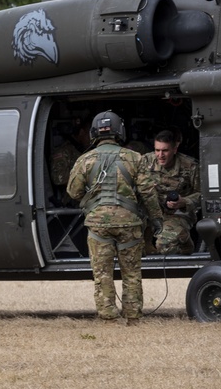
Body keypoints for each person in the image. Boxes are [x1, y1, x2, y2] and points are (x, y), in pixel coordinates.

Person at [67, 111, 162, 325]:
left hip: (98, 225)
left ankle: (109, 319)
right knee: (131, 274)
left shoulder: (85, 160)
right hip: (130, 224)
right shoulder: (134, 158)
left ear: (94, 133)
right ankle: (133, 318)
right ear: (120, 131)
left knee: (102, 275)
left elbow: (73, 192)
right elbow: (148, 193)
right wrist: (157, 221)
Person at [142, 129, 200, 255]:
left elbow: (203, 194)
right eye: (157, 150)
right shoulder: (145, 161)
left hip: (177, 213)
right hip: (150, 212)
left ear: (174, 149)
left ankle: (184, 240)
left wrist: (184, 201)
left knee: (165, 246)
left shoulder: (190, 166)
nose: (160, 155)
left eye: (165, 150)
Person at [49, 119, 88, 206]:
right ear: (82, 132)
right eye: (89, 134)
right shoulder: (64, 152)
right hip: (73, 201)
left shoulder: (88, 151)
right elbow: (58, 178)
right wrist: (85, 177)